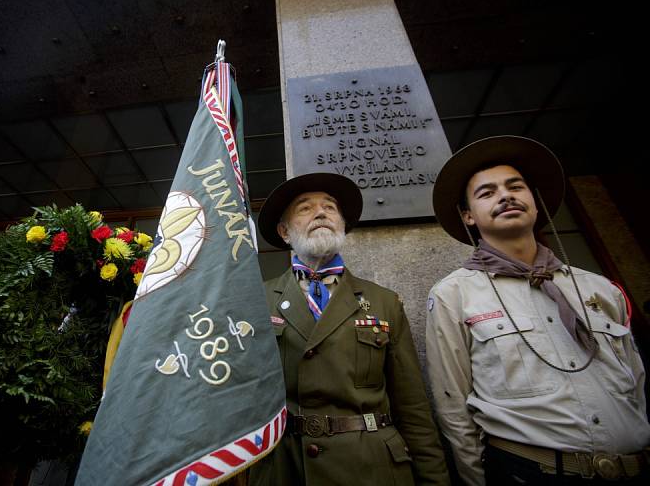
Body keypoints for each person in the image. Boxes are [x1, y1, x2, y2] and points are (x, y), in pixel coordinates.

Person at [426, 135, 650, 485]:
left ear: (534, 199)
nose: (505, 195)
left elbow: (636, 381)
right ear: (468, 216)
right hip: (529, 474)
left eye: (515, 186)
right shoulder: (454, 294)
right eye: (487, 193)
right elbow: (453, 403)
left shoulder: (600, 289)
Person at [249, 172, 449, 485]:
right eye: (305, 208)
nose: (320, 212)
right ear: (284, 232)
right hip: (287, 467)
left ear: (343, 224)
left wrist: (434, 479)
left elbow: (412, 407)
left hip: (372, 467)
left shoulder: (384, 302)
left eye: (330, 207)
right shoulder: (256, 301)